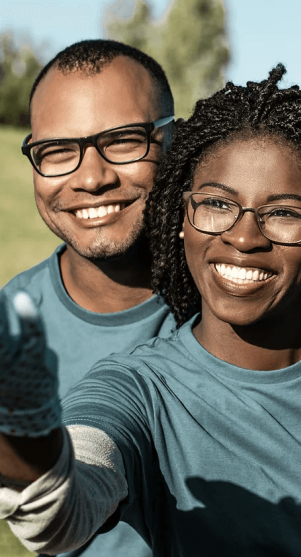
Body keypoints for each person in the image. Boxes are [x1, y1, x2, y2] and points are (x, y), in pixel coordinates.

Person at [0, 65, 301, 556]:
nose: (244, 238)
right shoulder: (139, 389)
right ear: (181, 218)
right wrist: (28, 442)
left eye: (284, 213)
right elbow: (64, 511)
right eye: (216, 205)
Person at [1, 40, 177, 557]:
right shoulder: (14, 333)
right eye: (57, 152)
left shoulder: (242, 284)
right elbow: (50, 517)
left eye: (122, 141)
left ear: (175, 138)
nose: (92, 177)